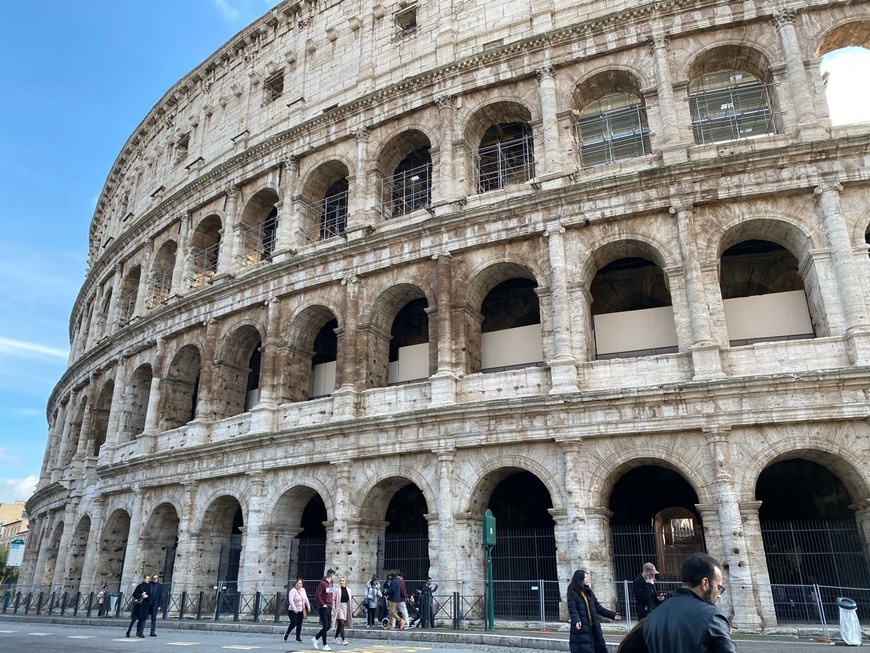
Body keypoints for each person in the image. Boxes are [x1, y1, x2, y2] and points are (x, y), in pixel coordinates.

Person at [643, 552, 737, 653]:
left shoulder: (652, 618)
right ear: (705, 583)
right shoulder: (712, 617)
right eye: (718, 587)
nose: (718, 594)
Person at [566, 569, 622, 653]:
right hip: (582, 629)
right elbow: (572, 608)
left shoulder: (588, 591)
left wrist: (612, 615)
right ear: (580, 579)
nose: (587, 579)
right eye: (585, 577)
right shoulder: (572, 592)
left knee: (599, 649)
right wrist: (576, 620)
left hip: (594, 627)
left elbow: (598, 608)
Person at [312, 568, 335, 651]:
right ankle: (325, 645)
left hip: (329, 606)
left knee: (328, 626)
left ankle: (316, 638)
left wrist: (332, 604)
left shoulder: (331, 583)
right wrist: (323, 604)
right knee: (325, 626)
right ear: (332, 575)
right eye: (333, 575)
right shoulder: (322, 583)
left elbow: (330, 594)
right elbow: (317, 595)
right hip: (323, 607)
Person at [284, 578, 311, 642]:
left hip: (301, 609)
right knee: (294, 623)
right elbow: (291, 600)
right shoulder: (293, 591)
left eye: (301, 583)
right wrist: (294, 608)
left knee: (299, 624)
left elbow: (305, 598)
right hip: (293, 610)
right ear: (296, 584)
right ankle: (287, 633)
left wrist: (308, 606)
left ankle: (298, 637)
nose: (300, 585)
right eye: (299, 583)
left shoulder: (303, 590)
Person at [125, 574, 151, 638]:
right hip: (139, 605)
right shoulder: (140, 586)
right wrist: (141, 595)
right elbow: (135, 594)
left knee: (143, 619)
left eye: (148, 578)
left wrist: (147, 596)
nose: (148, 580)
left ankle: (140, 632)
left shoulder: (149, 586)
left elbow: (151, 595)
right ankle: (128, 631)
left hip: (145, 605)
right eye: (147, 578)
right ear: (144, 579)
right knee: (134, 620)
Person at [332, 576, 353, 646]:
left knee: (341, 624)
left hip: (346, 607)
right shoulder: (337, 590)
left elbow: (350, 600)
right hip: (339, 606)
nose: (341, 582)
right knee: (341, 622)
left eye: (343, 581)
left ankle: (335, 637)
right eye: (341, 580)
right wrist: (334, 607)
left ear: (345, 582)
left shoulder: (349, 590)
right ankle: (343, 639)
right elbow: (333, 599)